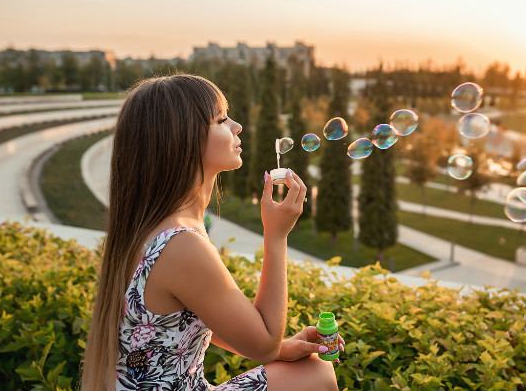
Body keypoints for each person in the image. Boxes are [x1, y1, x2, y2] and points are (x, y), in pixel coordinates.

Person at [81, 74, 341, 391]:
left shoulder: (151, 226)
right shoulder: (181, 244)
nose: (237, 126)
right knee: (317, 375)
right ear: (184, 140)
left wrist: (284, 347)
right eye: (222, 119)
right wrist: (276, 235)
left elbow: (191, 317)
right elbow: (263, 347)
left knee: (311, 369)